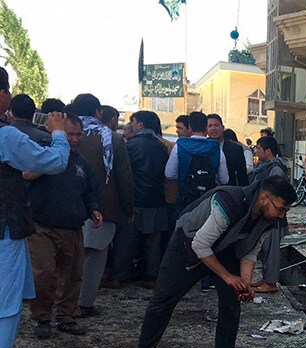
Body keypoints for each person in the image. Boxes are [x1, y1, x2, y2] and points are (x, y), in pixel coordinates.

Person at [117, 175, 294, 348]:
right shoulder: (229, 201)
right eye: (280, 209)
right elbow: (200, 245)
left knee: (231, 302)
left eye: (286, 211)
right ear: (263, 199)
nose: (282, 215)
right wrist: (228, 276)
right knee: (162, 301)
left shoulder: (270, 220)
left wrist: (244, 284)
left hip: (225, 248)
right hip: (188, 243)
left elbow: (250, 251)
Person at [0, 65, 71, 348]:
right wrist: (58, 133)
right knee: (7, 296)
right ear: (2, 95)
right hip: (5, 226)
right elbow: (54, 162)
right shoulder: (6, 135)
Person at [26, 115, 102, 338]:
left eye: (79, 134)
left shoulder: (81, 163)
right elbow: (26, 175)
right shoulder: (43, 155)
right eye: (70, 134)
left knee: (72, 276)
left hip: (72, 228)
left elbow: (91, 191)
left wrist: (93, 209)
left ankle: (66, 317)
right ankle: (42, 317)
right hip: (42, 228)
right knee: (43, 275)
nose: (75, 139)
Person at [71, 93, 135, 313]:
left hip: (65, 206)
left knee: (66, 256)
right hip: (102, 207)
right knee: (94, 256)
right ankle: (84, 303)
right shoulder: (113, 139)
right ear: (98, 112)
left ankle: (62, 303)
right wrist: (128, 208)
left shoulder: (61, 134)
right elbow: (124, 178)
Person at [114, 110, 169, 289]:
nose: (131, 125)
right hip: (157, 199)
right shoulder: (162, 146)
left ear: (140, 124)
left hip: (135, 199)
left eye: (133, 121)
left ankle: (118, 276)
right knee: (153, 243)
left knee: (126, 241)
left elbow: (123, 173)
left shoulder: (130, 145)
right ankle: (151, 277)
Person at [165, 111, 228, 212]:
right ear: (206, 128)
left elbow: (169, 174)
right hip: (208, 202)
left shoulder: (179, 147)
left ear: (190, 128)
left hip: (185, 200)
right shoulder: (217, 149)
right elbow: (224, 180)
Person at [249, 136, 288, 294]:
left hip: (273, 217)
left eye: (258, 148)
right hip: (264, 216)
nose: (256, 151)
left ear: (268, 151)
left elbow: (276, 195)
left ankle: (271, 283)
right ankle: (266, 278)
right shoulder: (264, 167)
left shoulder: (276, 169)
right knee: (264, 249)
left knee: (271, 250)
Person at [207, 114, 248, 187]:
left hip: (228, 190)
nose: (213, 128)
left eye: (216, 125)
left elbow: (242, 176)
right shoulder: (201, 148)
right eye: (210, 126)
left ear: (223, 128)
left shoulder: (236, 149)